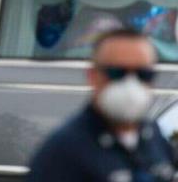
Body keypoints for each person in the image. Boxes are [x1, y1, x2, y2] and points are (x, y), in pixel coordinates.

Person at [27, 29, 176, 181]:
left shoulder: (153, 136)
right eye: (116, 73)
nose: (131, 85)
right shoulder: (63, 154)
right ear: (92, 76)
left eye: (143, 74)